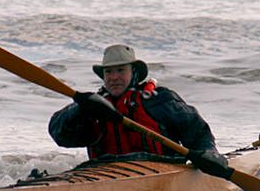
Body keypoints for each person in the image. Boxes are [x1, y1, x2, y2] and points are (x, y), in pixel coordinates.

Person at [48, 44, 231, 177]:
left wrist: (209, 152)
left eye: (120, 70)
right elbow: (60, 135)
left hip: (160, 171)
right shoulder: (92, 106)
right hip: (104, 172)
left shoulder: (160, 100)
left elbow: (197, 131)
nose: (114, 77)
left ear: (133, 72)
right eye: (108, 72)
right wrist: (79, 107)